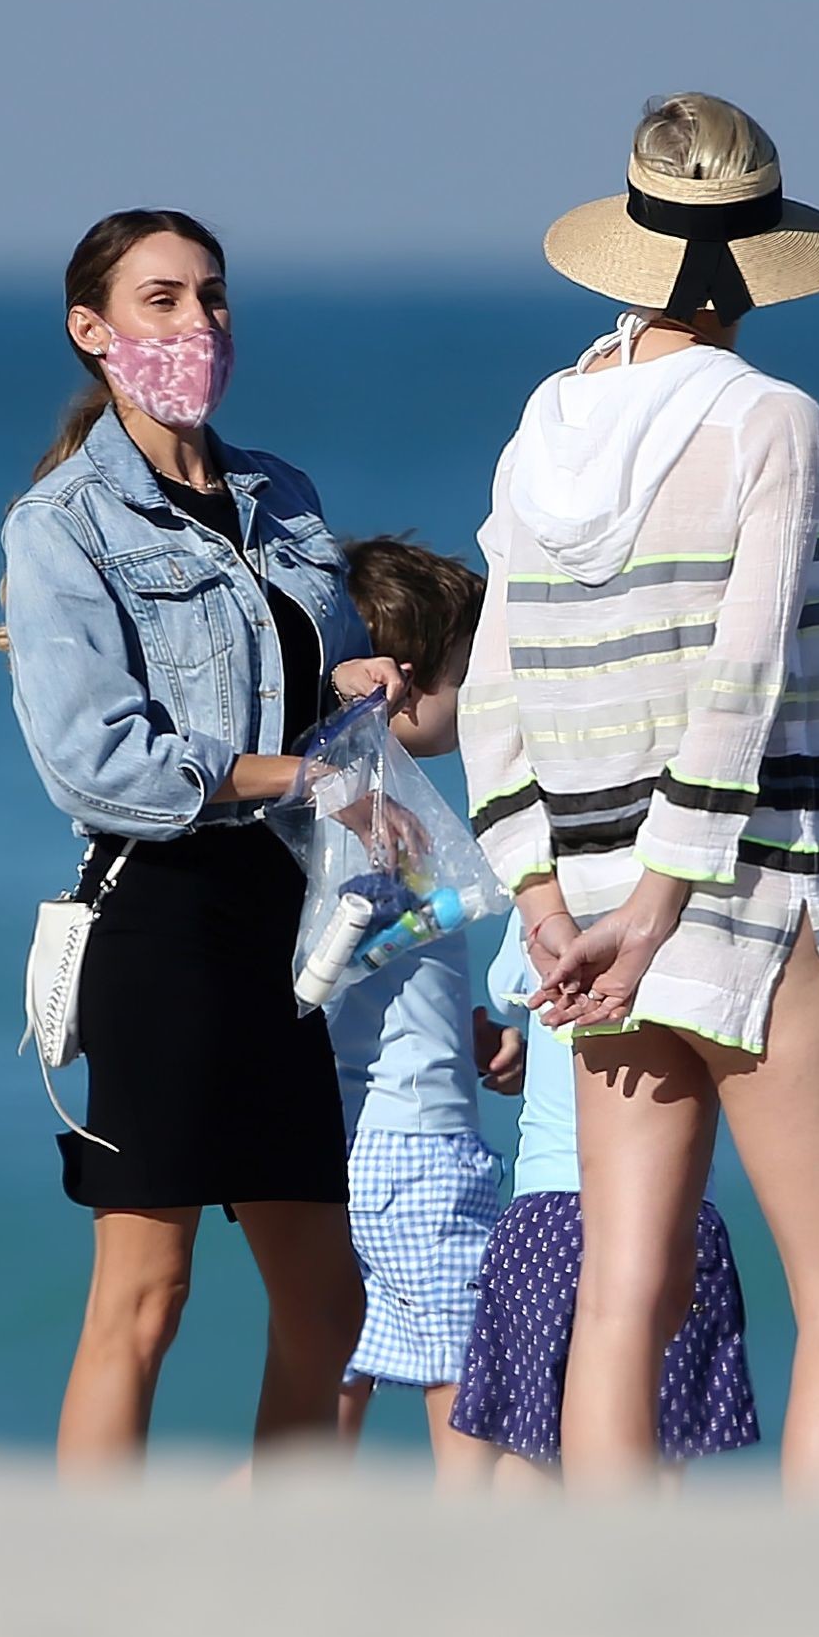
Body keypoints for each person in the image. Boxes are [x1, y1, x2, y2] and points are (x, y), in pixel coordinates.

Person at [459, 94, 819, 1493]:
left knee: (624, 1294)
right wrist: (662, 905)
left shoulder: (542, 426)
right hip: (739, 893)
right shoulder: (773, 418)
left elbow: (492, 692)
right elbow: (745, 676)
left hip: (589, 907)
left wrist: (542, 898)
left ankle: (616, 1607)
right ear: (761, 254)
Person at [0, 210, 406, 1472]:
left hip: (293, 920)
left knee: (329, 1301)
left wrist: (356, 687)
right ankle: (87, 1575)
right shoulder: (61, 525)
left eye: (212, 297)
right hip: (161, 919)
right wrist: (293, 772)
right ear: (94, 330)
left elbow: (310, 685)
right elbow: (95, 760)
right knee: (145, 1296)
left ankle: (275, 1560)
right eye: (162, 300)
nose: (196, 324)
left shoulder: (283, 494)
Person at [327, 538, 524, 1485]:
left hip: (340, 1134)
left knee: (331, 1378)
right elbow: (376, 938)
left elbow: (355, 969)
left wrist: (464, 1028)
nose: (479, 693)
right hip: (415, 1142)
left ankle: (257, 1533)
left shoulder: (332, 797)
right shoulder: (380, 814)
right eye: (466, 670)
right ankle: (470, 1546)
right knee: (466, 1382)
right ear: (403, 680)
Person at [450, 909, 759, 1485]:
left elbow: (507, 988)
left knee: (526, 1449)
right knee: (658, 1449)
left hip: (542, 1214)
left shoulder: (545, 907)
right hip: (668, 1212)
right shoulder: (691, 909)